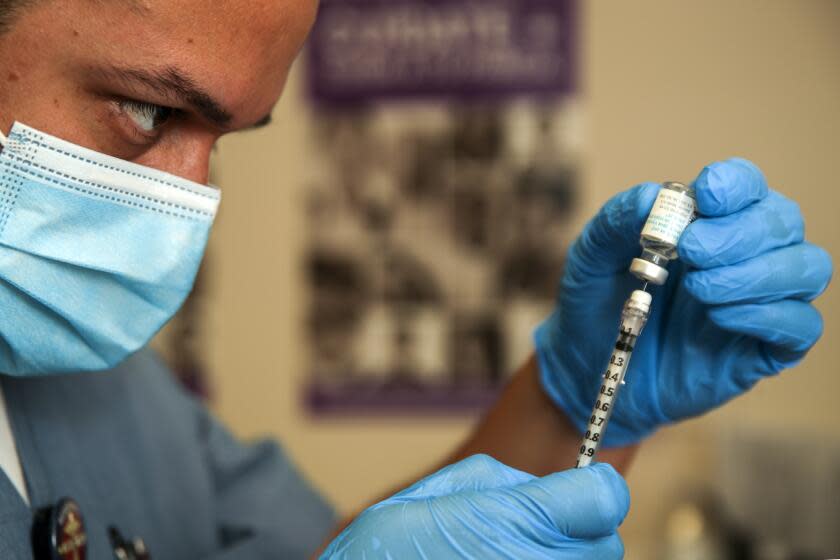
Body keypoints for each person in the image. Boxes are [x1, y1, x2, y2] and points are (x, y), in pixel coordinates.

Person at [0, 1, 831, 558]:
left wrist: (567, 401)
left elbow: (323, 548)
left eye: (231, 137)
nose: (190, 203)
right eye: (146, 111)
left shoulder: (108, 392)